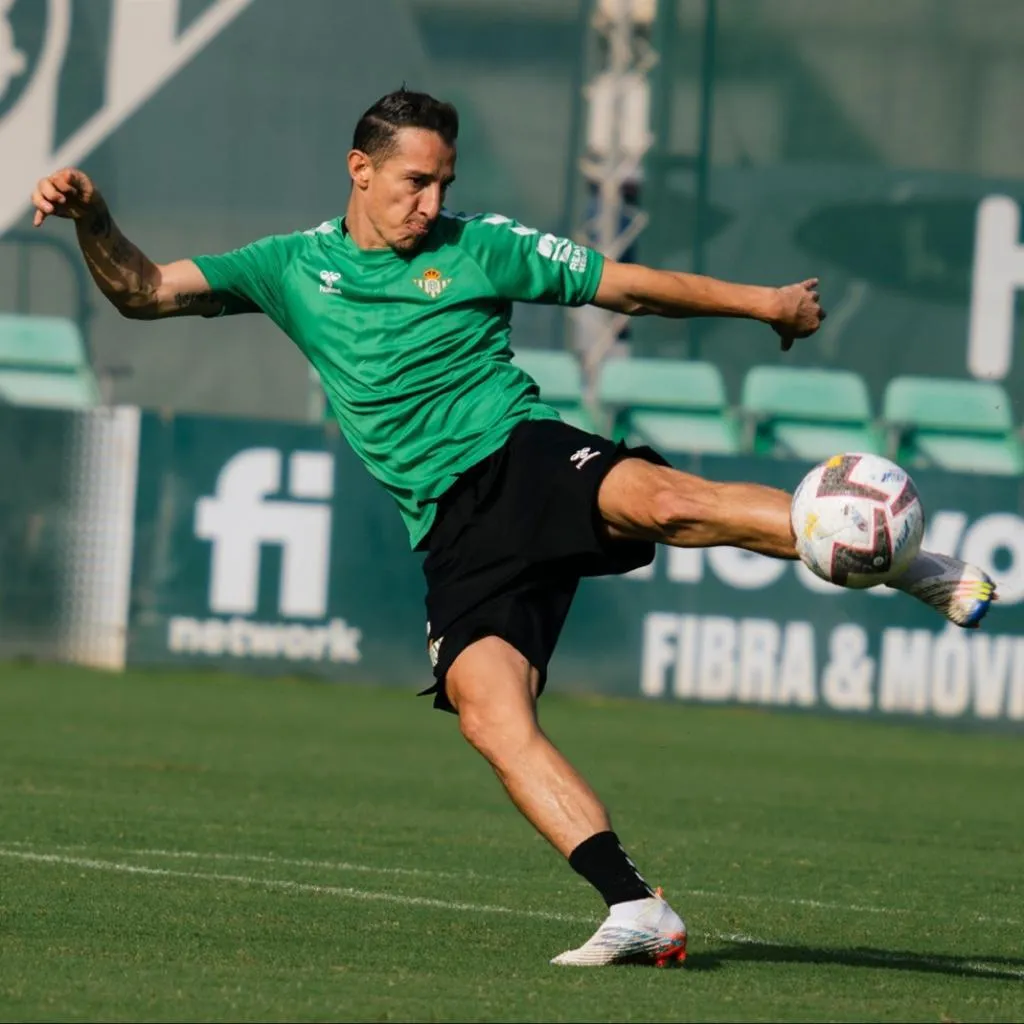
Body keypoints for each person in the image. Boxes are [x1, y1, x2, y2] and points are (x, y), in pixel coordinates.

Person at [30, 88, 995, 968]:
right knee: (492, 717)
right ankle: (635, 906)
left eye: (443, 181)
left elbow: (626, 284)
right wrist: (95, 216)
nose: (430, 201)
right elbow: (145, 293)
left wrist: (764, 303)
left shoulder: (479, 243)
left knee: (661, 499)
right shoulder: (288, 267)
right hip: (449, 528)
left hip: (518, 454)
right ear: (360, 170)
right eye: (415, 180)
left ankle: (908, 561)